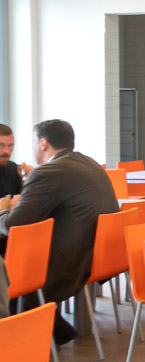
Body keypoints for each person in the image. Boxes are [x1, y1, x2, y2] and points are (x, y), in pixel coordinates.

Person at [0, 120, 119, 343]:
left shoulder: (48, 172)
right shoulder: (89, 163)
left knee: (10, 266)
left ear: (43, 143)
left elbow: (13, 224)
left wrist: (3, 209)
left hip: (69, 262)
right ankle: (54, 329)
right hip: (100, 255)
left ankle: (34, 335)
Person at [0, 124, 32, 199]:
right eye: (1, 145)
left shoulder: (15, 170)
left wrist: (30, 179)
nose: (6, 151)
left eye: (10, 145)